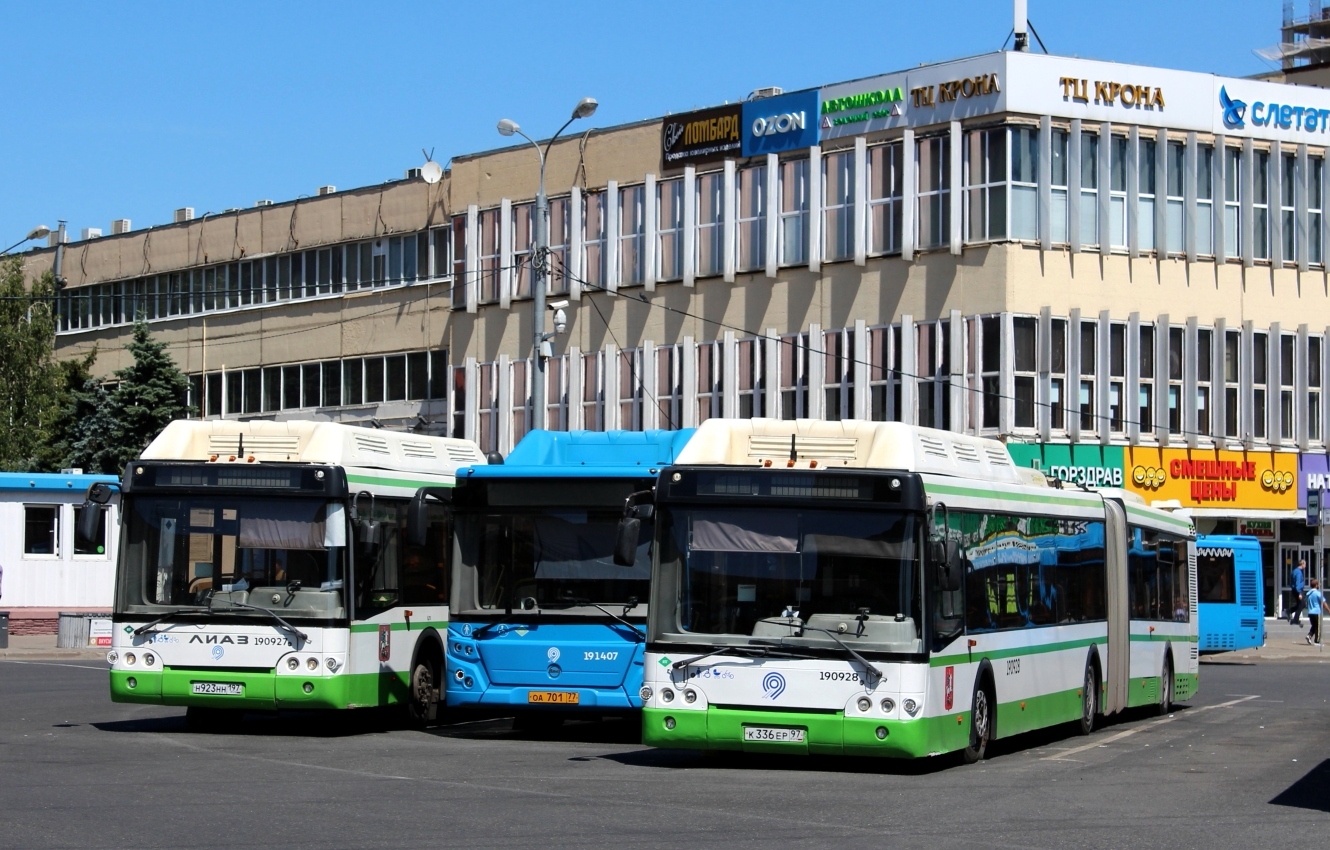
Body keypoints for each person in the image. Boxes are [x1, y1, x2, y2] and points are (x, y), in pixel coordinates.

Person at [1305, 579, 1325, 647]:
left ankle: (1309, 636)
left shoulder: (1308, 593)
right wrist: (1328, 610)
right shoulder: (1317, 593)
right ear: (1316, 585)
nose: (1319, 585)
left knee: (1314, 626)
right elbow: (1324, 602)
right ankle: (1317, 641)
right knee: (1318, 627)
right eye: (1318, 584)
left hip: (1310, 612)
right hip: (1317, 612)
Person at [1289, 559, 1307, 626]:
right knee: (1302, 604)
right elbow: (1298, 583)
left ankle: (1289, 611)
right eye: (1305, 564)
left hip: (1294, 590)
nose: (1305, 566)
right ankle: (1295, 619)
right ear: (1302, 564)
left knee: (1301, 604)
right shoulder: (1299, 572)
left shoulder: (1294, 571)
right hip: (1298, 590)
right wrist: (1299, 593)